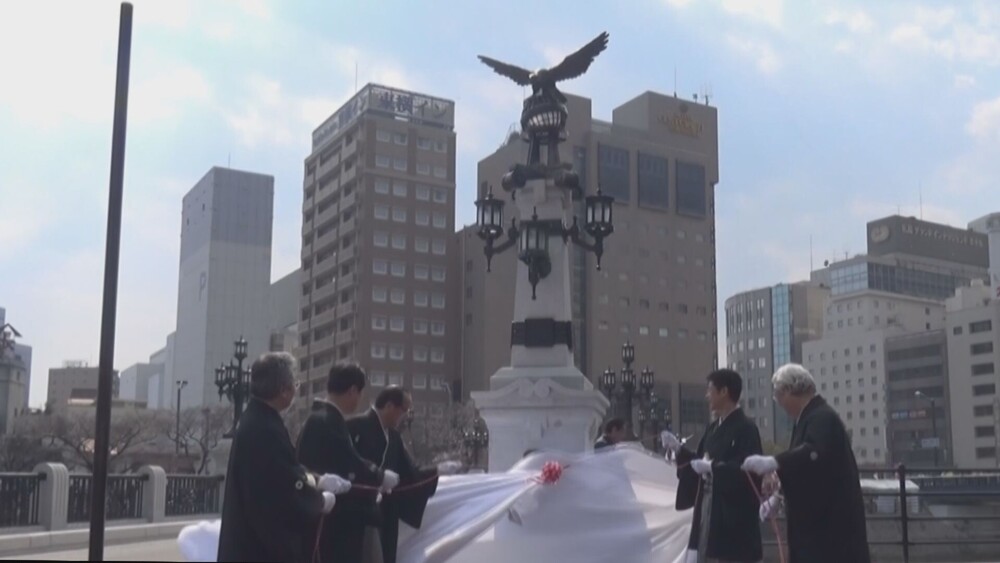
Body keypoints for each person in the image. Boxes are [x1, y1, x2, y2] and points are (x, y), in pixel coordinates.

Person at [217, 352, 348, 563]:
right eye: (295, 384)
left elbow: (287, 469)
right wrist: (319, 500)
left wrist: (317, 479)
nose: (296, 390)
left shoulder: (258, 419)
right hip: (259, 547)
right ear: (283, 390)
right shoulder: (265, 428)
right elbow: (283, 487)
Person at [742, 363, 870, 563]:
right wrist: (778, 496)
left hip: (829, 527)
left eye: (778, 395)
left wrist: (774, 461)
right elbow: (803, 467)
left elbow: (813, 454)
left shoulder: (823, 418)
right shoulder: (809, 419)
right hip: (816, 524)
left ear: (790, 391)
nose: (779, 403)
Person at [297, 364, 400, 563]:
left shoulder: (320, 419)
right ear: (353, 390)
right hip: (334, 524)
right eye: (360, 393)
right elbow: (350, 463)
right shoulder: (328, 420)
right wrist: (380, 476)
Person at [347, 386, 462, 563]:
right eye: (404, 410)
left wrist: (436, 470)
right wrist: (377, 478)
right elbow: (345, 465)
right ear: (390, 406)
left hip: (386, 513)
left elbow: (410, 474)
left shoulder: (393, 437)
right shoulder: (354, 426)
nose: (406, 415)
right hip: (357, 511)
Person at [661, 369, 763, 563]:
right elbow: (699, 460)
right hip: (709, 506)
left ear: (724, 391)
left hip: (732, 514)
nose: (707, 396)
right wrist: (679, 450)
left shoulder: (746, 428)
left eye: (710, 390)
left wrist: (713, 468)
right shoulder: (712, 428)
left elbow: (750, 470)